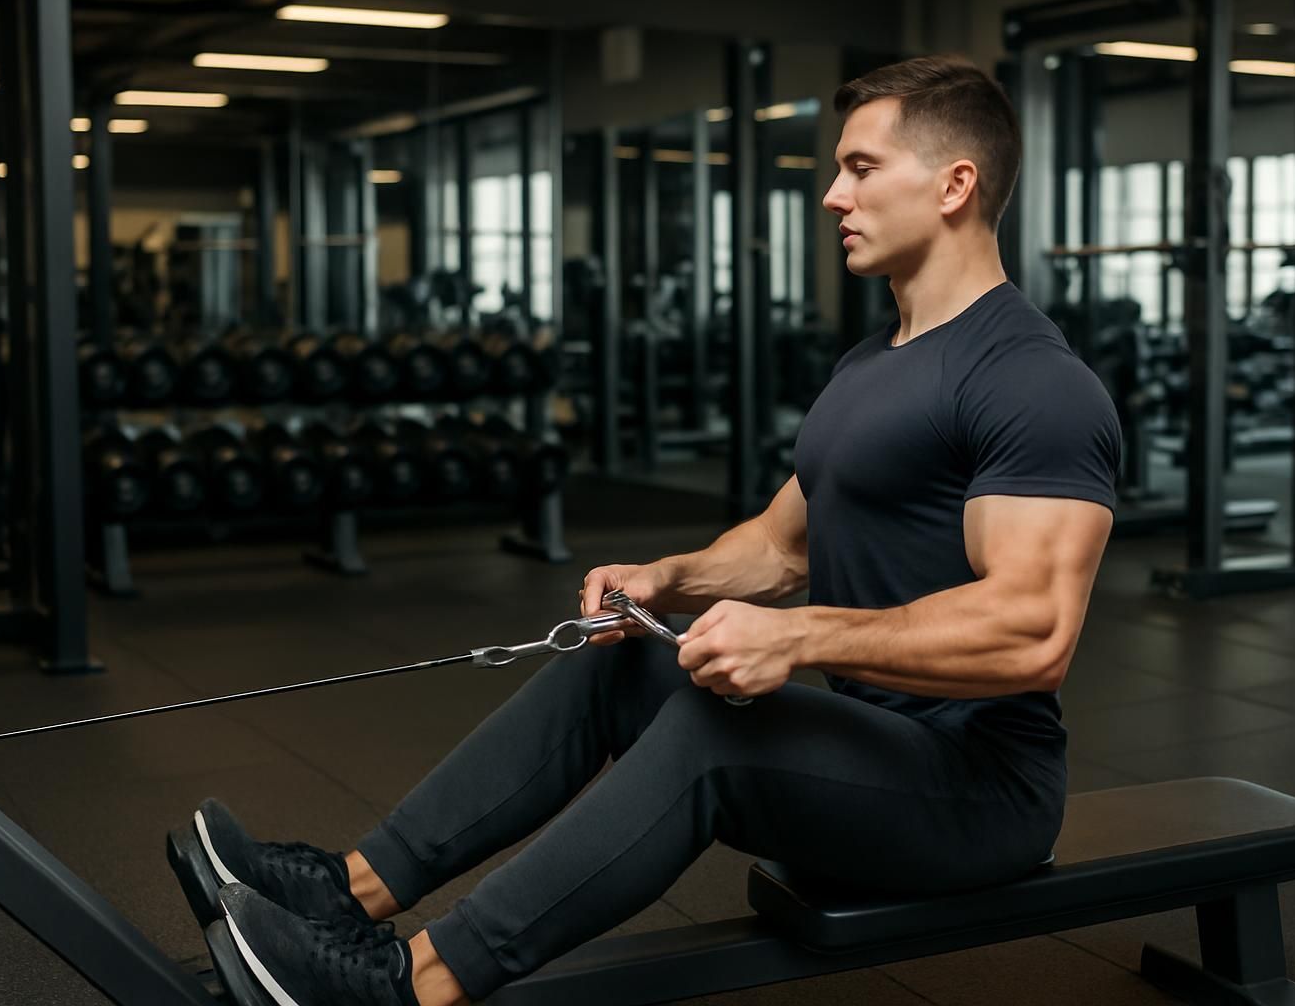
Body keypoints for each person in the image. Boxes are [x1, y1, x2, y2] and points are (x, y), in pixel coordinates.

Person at [181, 54, 1121, 1006]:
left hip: (981, 796)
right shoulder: (873, 364)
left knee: (717, 732)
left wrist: (795, 641)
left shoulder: (1030, 379)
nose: (834, 196)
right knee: (621, 660)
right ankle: (352, 891)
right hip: (869, 747)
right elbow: (783, 546)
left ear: (956, 183)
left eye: (863, 169)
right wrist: (664, 579)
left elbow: (1033, 628)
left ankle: (406, 987)